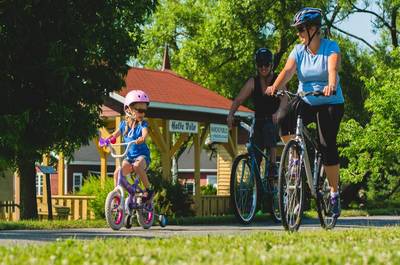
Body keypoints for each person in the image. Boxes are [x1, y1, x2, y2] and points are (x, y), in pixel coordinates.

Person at [265, 7, 345, 217]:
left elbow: (332, 70)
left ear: (313, 29)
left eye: (301, 29)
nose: (299, 33)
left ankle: (335, 193)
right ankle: (294, 157)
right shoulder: (299, 51)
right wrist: (275, 86)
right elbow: (288, 71)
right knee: (283, 117)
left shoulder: (330, 47)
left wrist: (330, 85)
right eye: (298, 29)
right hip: (306, 99)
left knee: (326, 144)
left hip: (330, 101)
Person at [227, 48, 287, 175]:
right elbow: (238, 100)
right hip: (258, 121)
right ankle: (255, 183)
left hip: (274, 120)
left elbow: (285, 100)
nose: (263, 67)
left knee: (269, 129)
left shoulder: (278, 80)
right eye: (260, 65)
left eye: (266, 64)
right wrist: (230, 114)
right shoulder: (252, 82)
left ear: (271, 65)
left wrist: (279, 112)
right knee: (254, 152)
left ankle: (272, 167)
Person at [108, 90, 153, 206]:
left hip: (142, 157)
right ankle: (116, 196)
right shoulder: (124, 125)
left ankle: (149, 190)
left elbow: (145, 132)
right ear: (128, 109)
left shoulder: (143, 124)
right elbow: (115, 135)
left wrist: (143, 138)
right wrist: (107, 140)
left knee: (137, 166)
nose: (142, 113)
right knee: (117, 173)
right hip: (129, 157)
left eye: (144, 110)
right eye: (139, 110)